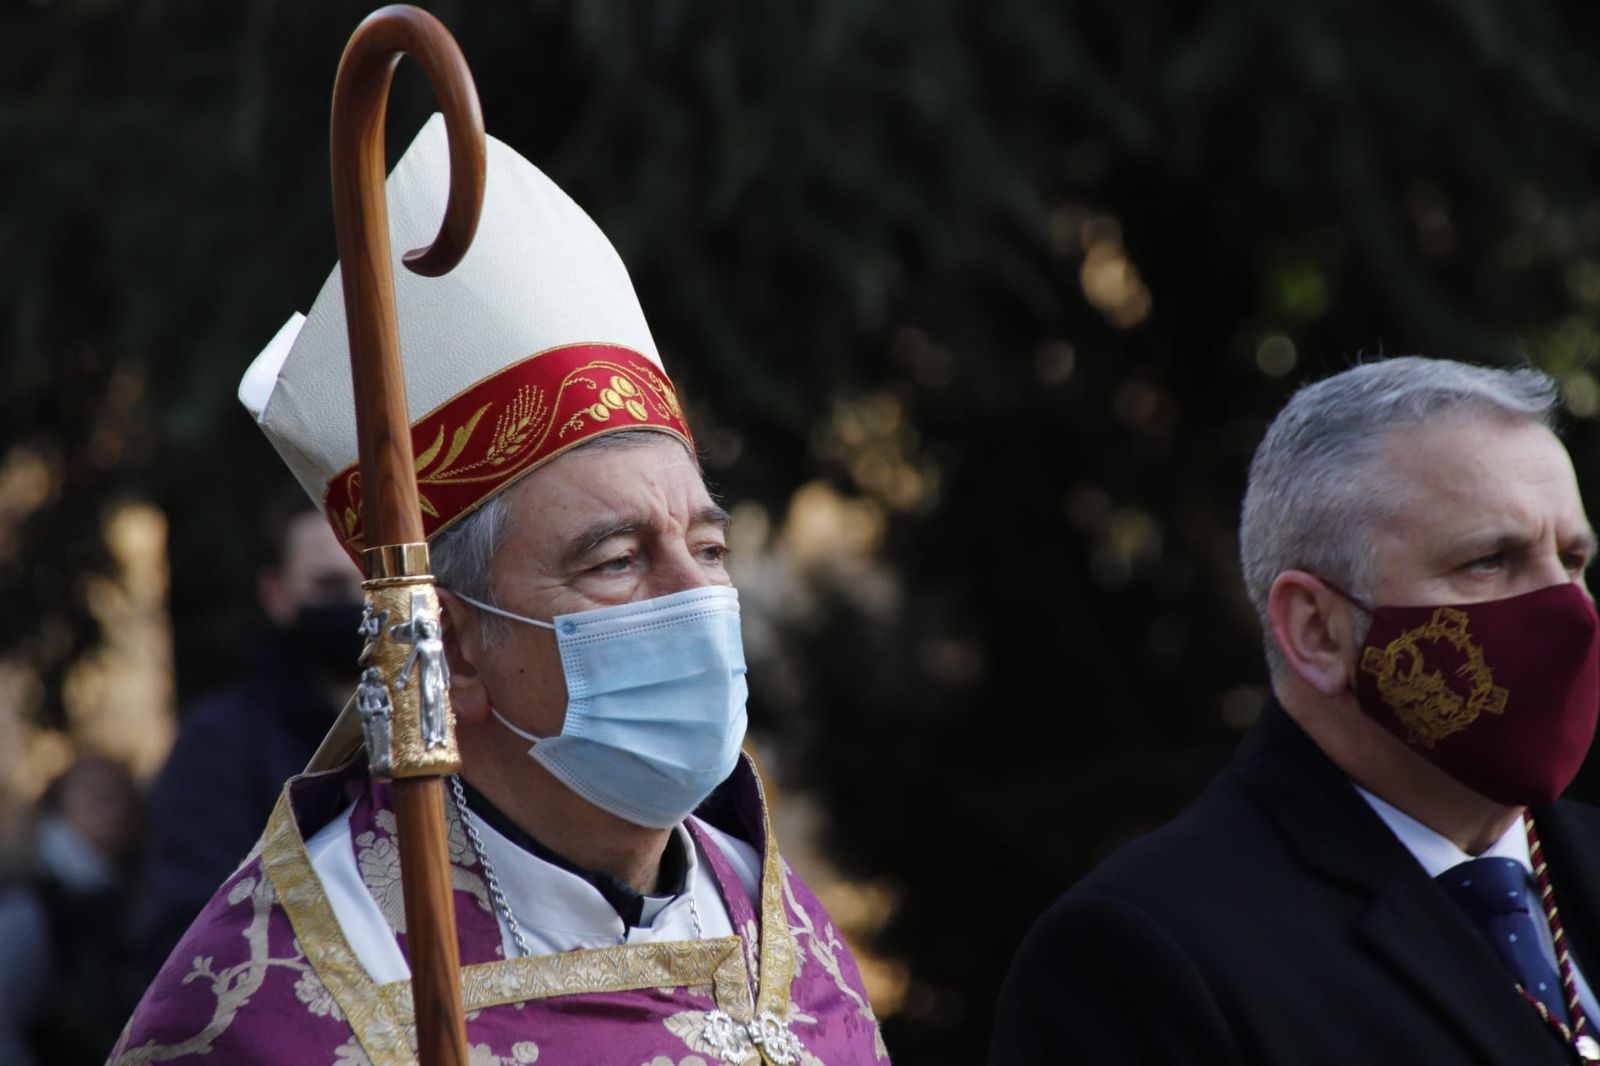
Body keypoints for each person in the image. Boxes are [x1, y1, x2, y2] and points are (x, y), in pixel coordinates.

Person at [111, 114, 887, 1065]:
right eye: (617, 561)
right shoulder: (291, 1001)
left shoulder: (781, 928)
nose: (695, 599)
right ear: (461, 648)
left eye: (709, 547)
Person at [992, 357, 1600, 1065]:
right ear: (1317, 630)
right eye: (1489, 561)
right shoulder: (1141, 956)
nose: (1571, 613)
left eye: (1574, 559)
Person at [133, 485, 364, 979]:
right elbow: (188, 938)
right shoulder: (219, 743)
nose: (357, 604)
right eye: (329, 586)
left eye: (370, 581)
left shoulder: (458, 724)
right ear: (276, 595)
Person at [0, 756, 143, 1065]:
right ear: (59, 807)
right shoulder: (31, 905)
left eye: (120, 795)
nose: (113, 809)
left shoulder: (135, 894)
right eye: (97, 795)